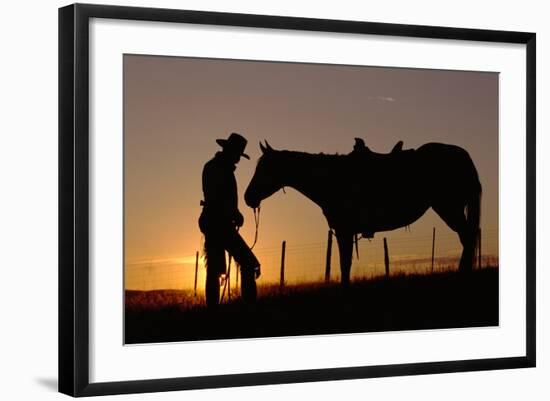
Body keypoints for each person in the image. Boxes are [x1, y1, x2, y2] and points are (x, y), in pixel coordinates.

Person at [198, 132, 261, 309]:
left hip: (214, 223)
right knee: (248, 263)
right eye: (237, 155)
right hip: (219, 225)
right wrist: (235, 214)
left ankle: (214, 311)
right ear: (230, 151)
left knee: (215, 270)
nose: (238, 159)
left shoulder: (213, 167)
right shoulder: (220, 169)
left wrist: (234, 213)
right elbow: (217, 198)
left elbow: (217, 198)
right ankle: (249, 308)